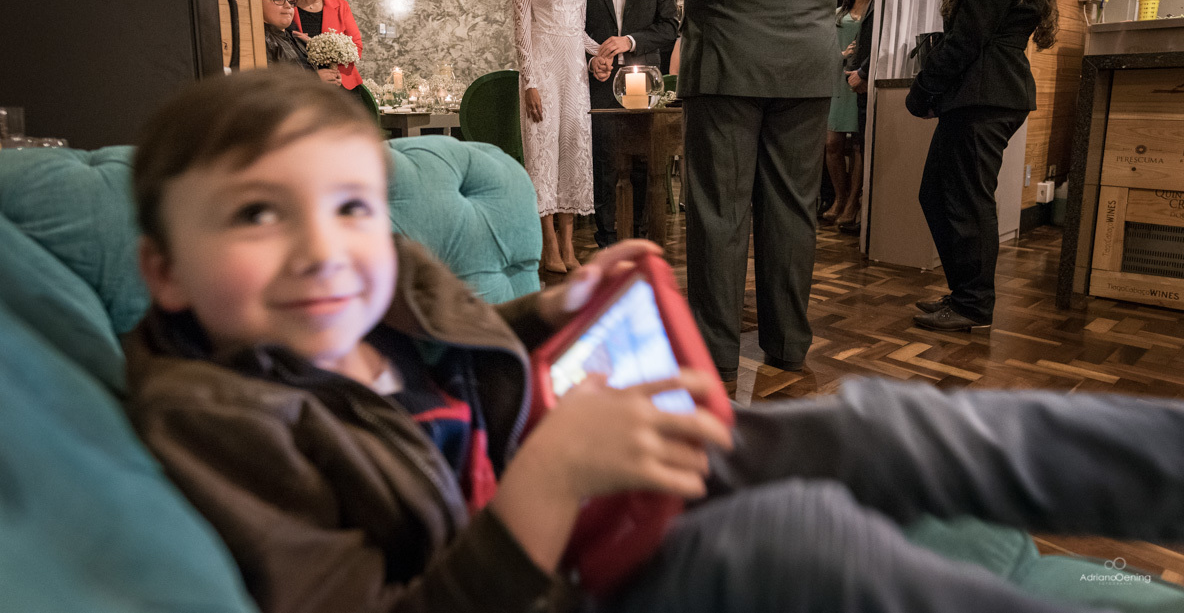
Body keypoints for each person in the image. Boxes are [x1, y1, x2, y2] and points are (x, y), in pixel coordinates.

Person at [122, 71, 1184, 613]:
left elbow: (457, 357)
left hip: (593, 471)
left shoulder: (370, 293)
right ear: (162, 266)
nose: (326, 250)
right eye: (259, 215)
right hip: (573, 575)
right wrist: (545, 489)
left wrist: (556, 303)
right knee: (797, 543)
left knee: (888, 427)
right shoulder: (222, 422)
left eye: (352, 207)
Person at [637, 0, 870, 388]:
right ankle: (788, 343)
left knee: (720, 212)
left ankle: (715, 355)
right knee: (793, 208)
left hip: (726, 62)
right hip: (808, 68)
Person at [905, 0, 1058, 333]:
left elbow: (967, 39)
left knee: (966, 200)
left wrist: (923, 89)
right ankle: (965, 295)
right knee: (941, 194)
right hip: (990, 91)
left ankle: (973, 303)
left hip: (985, 93)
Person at [513, 0, 609, 273]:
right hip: (543, 72)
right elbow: (521, 32)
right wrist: (529, 82)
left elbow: (577, 31)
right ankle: (547, 244)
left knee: (572, 153)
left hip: (574, 74)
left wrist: (600, 52)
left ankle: (569, 246)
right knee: (542, 154)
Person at [585, 0, 680, 248]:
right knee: (604, 163)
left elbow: (670, 26)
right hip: (602, 84)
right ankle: (606, 239)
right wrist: (593, 58)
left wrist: (629, 41)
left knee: (644, 165)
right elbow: (575, 31)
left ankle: (640, 239)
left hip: (645, 82)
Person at [824, 0, 873, 229]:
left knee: (857, 146)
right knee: (832, 143)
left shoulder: (875, 12)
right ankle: (839, 198)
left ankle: (853, 202)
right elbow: (825, 46)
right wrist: (841, 53)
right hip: (837, 81)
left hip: (860, 81)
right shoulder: (837, 14)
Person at [284, 0, 365, 91]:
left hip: (343, 86)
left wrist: (317, 47)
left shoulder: (341, 7)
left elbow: (357, 48)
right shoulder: (285, 5)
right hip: (304, 88)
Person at [260, 0, 342, 87]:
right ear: (256, 1)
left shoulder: (295, 38)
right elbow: (266, 87)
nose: (288, 5)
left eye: (289, 0)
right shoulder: (259, 40)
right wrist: (314, 79)